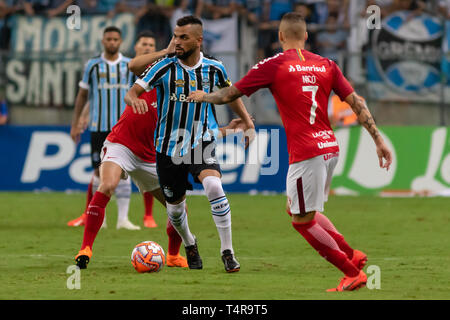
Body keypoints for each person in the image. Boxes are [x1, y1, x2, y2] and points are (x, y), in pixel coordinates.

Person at [187, 12, 393, 291]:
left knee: (301, 221)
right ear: (306, 36)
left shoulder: (274, 64)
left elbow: (229, 94)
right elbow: (356, 103)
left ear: (280, 35)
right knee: (300, 209)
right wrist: (378, 140)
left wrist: (204, 96)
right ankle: (352, 255)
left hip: (307, 152)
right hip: (330, 148)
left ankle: (350, 271)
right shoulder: (327, 64)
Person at [125, 15, 255, 272]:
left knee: (214, 186)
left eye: (183, 37)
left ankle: (227, 251)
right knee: (175, 210)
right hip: (166, 146)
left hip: (201, 140)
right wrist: (134, 100)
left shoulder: (215, 67)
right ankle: (189, 243)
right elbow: (133, 91)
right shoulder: (163, 66)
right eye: (175, 36)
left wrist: (247, 123)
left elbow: (231, 94)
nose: (177, 42)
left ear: (199, 40)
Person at [68, 26, 140, 230]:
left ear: (121, 41)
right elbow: (83, 96)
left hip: (124, 128)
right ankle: (101, 218)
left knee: (124, 171)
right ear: (103, 41)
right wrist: (76, 122)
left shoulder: (129, 65)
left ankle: (123, 219)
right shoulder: (92, 65)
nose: (112, 42)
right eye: (108, 39)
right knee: (100, 173)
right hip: (99, 127)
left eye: (116, 39)